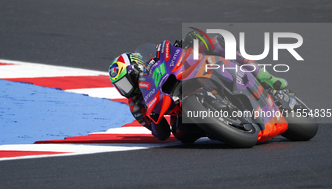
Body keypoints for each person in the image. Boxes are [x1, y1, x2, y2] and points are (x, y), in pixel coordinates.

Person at [108, 32, 288, 142]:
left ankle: (264, 76)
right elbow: (160, 133)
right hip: (178, 109)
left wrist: (182, 45)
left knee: (212, 43)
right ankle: (221, 127)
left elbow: (167, 55)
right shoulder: (135, 104)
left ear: (136, 68)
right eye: (121, 87)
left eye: (126, 82)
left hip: (187, 74)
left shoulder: (151, 64)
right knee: (180, 134)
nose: (126, 89)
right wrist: (152, 120)